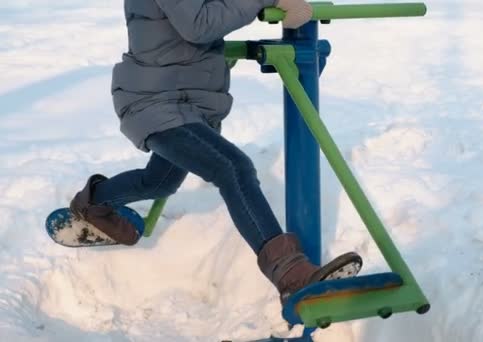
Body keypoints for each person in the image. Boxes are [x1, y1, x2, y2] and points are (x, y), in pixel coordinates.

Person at [69, 0, 362, 304]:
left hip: (185, 101)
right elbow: (199, 25)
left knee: (160, 182)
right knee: (233, 168)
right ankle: (291, 275)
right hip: (154, 102)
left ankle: (93, 202)